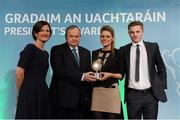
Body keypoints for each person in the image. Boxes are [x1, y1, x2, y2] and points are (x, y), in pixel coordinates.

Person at [118, 21, 167, 119]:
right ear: (128, 33)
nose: (135, 34)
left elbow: (161, 68)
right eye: (132, 32)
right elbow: (121, 72)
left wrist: (161, 86)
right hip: (132, 95)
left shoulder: (153, 47)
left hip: (151, 95)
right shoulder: (123, 50)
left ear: (142, 31)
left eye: (137, 31)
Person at [49, 25, 96, 119]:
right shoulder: (57, 49)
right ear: (66, 37)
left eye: (76, 36)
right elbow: (59, 71)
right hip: (63, 101)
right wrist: (82, 76)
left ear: (80, 37)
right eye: (71, 36)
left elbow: (88, 72)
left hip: (81, 102)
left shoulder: (86, 52)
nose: (74, 38)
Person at [15, 20, 52, 119]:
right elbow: (19, 72)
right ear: (35, 33)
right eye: (42, 30)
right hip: (29, 91)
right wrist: (20, 93)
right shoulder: (30, 48)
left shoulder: (46, 53)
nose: (45, 33)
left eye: (47, 31)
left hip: (42, 92)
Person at [91, 25, 123, 119]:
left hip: (112, 92)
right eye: (102, 36)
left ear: (112, 38)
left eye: (108, 36)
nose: (104, 38)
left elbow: (121, 75)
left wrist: (110, 75)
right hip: (97, 91)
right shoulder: (94, 53)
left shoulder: (118, 53)